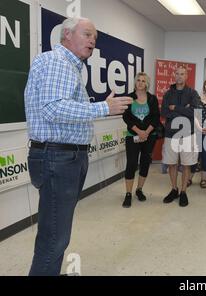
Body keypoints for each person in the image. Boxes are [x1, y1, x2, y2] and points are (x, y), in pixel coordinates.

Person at [25, 17, 132, 275]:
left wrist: (97, 107)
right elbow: (52, 108)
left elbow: (60, 106)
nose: (93, 40)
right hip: (58, 158)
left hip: (63, 158)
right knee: (54, 239)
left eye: (95, 36)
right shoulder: (57, 62)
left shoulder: (69, 66)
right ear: (66, 35)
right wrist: (103, 107)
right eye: (87, 34)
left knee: (56, 234)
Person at [161, 66, 200, 207]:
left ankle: (183, 191)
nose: (179, 76)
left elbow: (194, 112)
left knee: (186, 164)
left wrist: (175, 108)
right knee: (171, 163)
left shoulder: (192, 93)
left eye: (182, 74)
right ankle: (174, 189)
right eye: (177, 74)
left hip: (187, 134)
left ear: (186, 76)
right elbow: (164, 112)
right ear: (174, 75)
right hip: (171, 134)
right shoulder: (168, 93)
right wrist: (185, 109)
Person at [122, 72, 161, 208]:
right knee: (131, 163)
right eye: (138, 80)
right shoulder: (129, 98)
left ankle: (139, 190)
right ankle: (128, 194)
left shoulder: (152, 99)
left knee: (145, 162)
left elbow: (155, 117)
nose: (140, 83)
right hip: (133, 136)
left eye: (143, 81)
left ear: (147, 84)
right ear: (135, 82)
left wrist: (147, 132)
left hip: (150, 136)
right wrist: (139, 132)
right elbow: (126, 117)